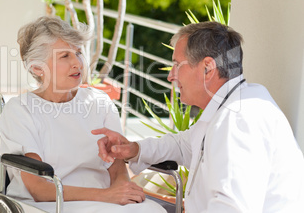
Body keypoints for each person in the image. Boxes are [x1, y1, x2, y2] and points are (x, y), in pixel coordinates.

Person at [93, 21, 304, 213]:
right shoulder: (235, 104)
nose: (170, 75)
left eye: (177, 64)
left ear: (208, 68)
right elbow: (186, 144)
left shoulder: (238, 121)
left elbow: (232, 208)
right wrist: (134, 149)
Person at [0, 16, 165, 213]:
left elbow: (117, 164)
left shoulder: (98, 101)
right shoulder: (20, 111)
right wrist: (107, 196)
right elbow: (39, 189)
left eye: (78, 53)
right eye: (64, 56)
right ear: (36, 68)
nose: (77, 63)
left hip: (103, 200)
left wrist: (122, 191)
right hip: (47, 204)